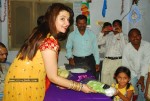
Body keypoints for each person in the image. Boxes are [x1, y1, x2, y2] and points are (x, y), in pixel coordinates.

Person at [2, 3, 95, 101]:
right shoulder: (50, 41)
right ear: (52, 18)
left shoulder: (40, 33)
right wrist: (81, 87)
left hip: (16, 79)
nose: (67, 23)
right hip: (27, 83)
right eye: (62, 19)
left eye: (68, 20)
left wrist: (63, 82)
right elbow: (53, 77)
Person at [66, 14, 100, 79]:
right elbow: (68, 48)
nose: (82, 25)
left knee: (92, 79)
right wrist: (70, 58)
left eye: (84, 23)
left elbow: (95, 49)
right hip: (76, 60)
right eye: (80, 23)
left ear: (86, 23)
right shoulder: (72, 35)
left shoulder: (91, 34)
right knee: (78, 79)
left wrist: (97, 63)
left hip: (90, 60)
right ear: (76, 24)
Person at [122, 28, 150, 101]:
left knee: (143, 92)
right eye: (132, 36)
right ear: (129, 38)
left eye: (137, 35)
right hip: (132, 73)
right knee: (128, 91)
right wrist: (127, 78)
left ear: (141, 36)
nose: (135, 38)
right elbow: (125, 64)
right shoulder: (126, 48)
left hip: (145, 73)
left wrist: (142, 76)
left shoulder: (147, 46)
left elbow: (146, 62)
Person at [101, 19, 128, 85]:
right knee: (104, 81)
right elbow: (98, 42)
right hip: (107, 60)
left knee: (115, 81)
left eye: (117, 26)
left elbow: (124, 49)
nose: (115, 27)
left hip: (117, 61)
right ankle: (104, 95)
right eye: (114, 25)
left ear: (121, 27)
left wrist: (120, 34)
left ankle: (114, 95)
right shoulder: (108, 35)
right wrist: (102, 32)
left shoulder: (124, 36)